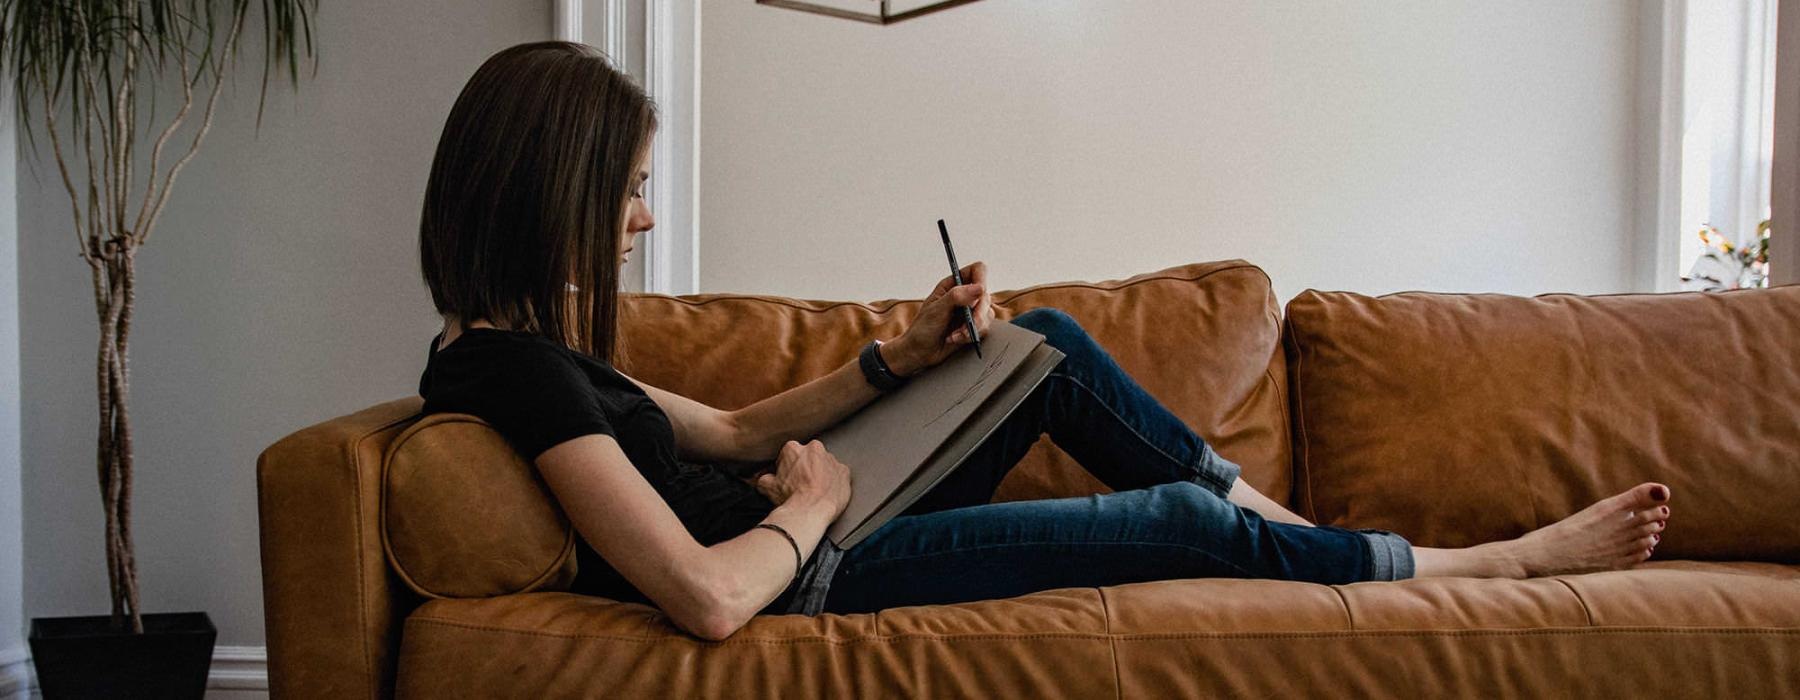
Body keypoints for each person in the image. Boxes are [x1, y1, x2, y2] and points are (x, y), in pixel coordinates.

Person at [416, 41, 1672, 641]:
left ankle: (1303, 540)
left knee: (1045, 345)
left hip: (810, 521)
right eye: (628, 187)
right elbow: (701, 595)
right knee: (1177, 529)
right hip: (806, 564)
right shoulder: (506, 373)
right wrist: (808, 508)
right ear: (552, 186)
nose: (641, 216)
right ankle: (1475, 566)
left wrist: (902, 357)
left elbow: (735, 430)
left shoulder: (539, 349)